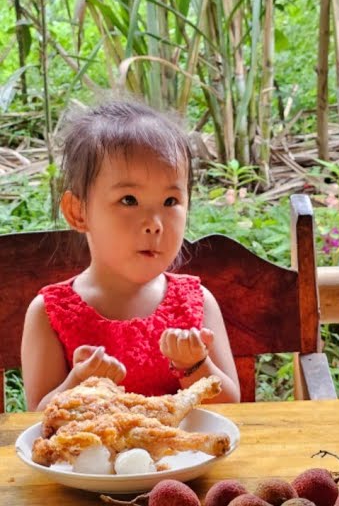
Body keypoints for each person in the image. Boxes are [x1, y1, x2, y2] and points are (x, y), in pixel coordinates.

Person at [20, 98, 240, 410]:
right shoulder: (49, 314)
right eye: (128, 200)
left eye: (170, 202)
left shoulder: (196, 303)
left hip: (185, 457)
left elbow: (232, 407)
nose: (154, 223)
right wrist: (78, 385)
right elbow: (38, 422)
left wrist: (194, 366)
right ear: (77, 211)